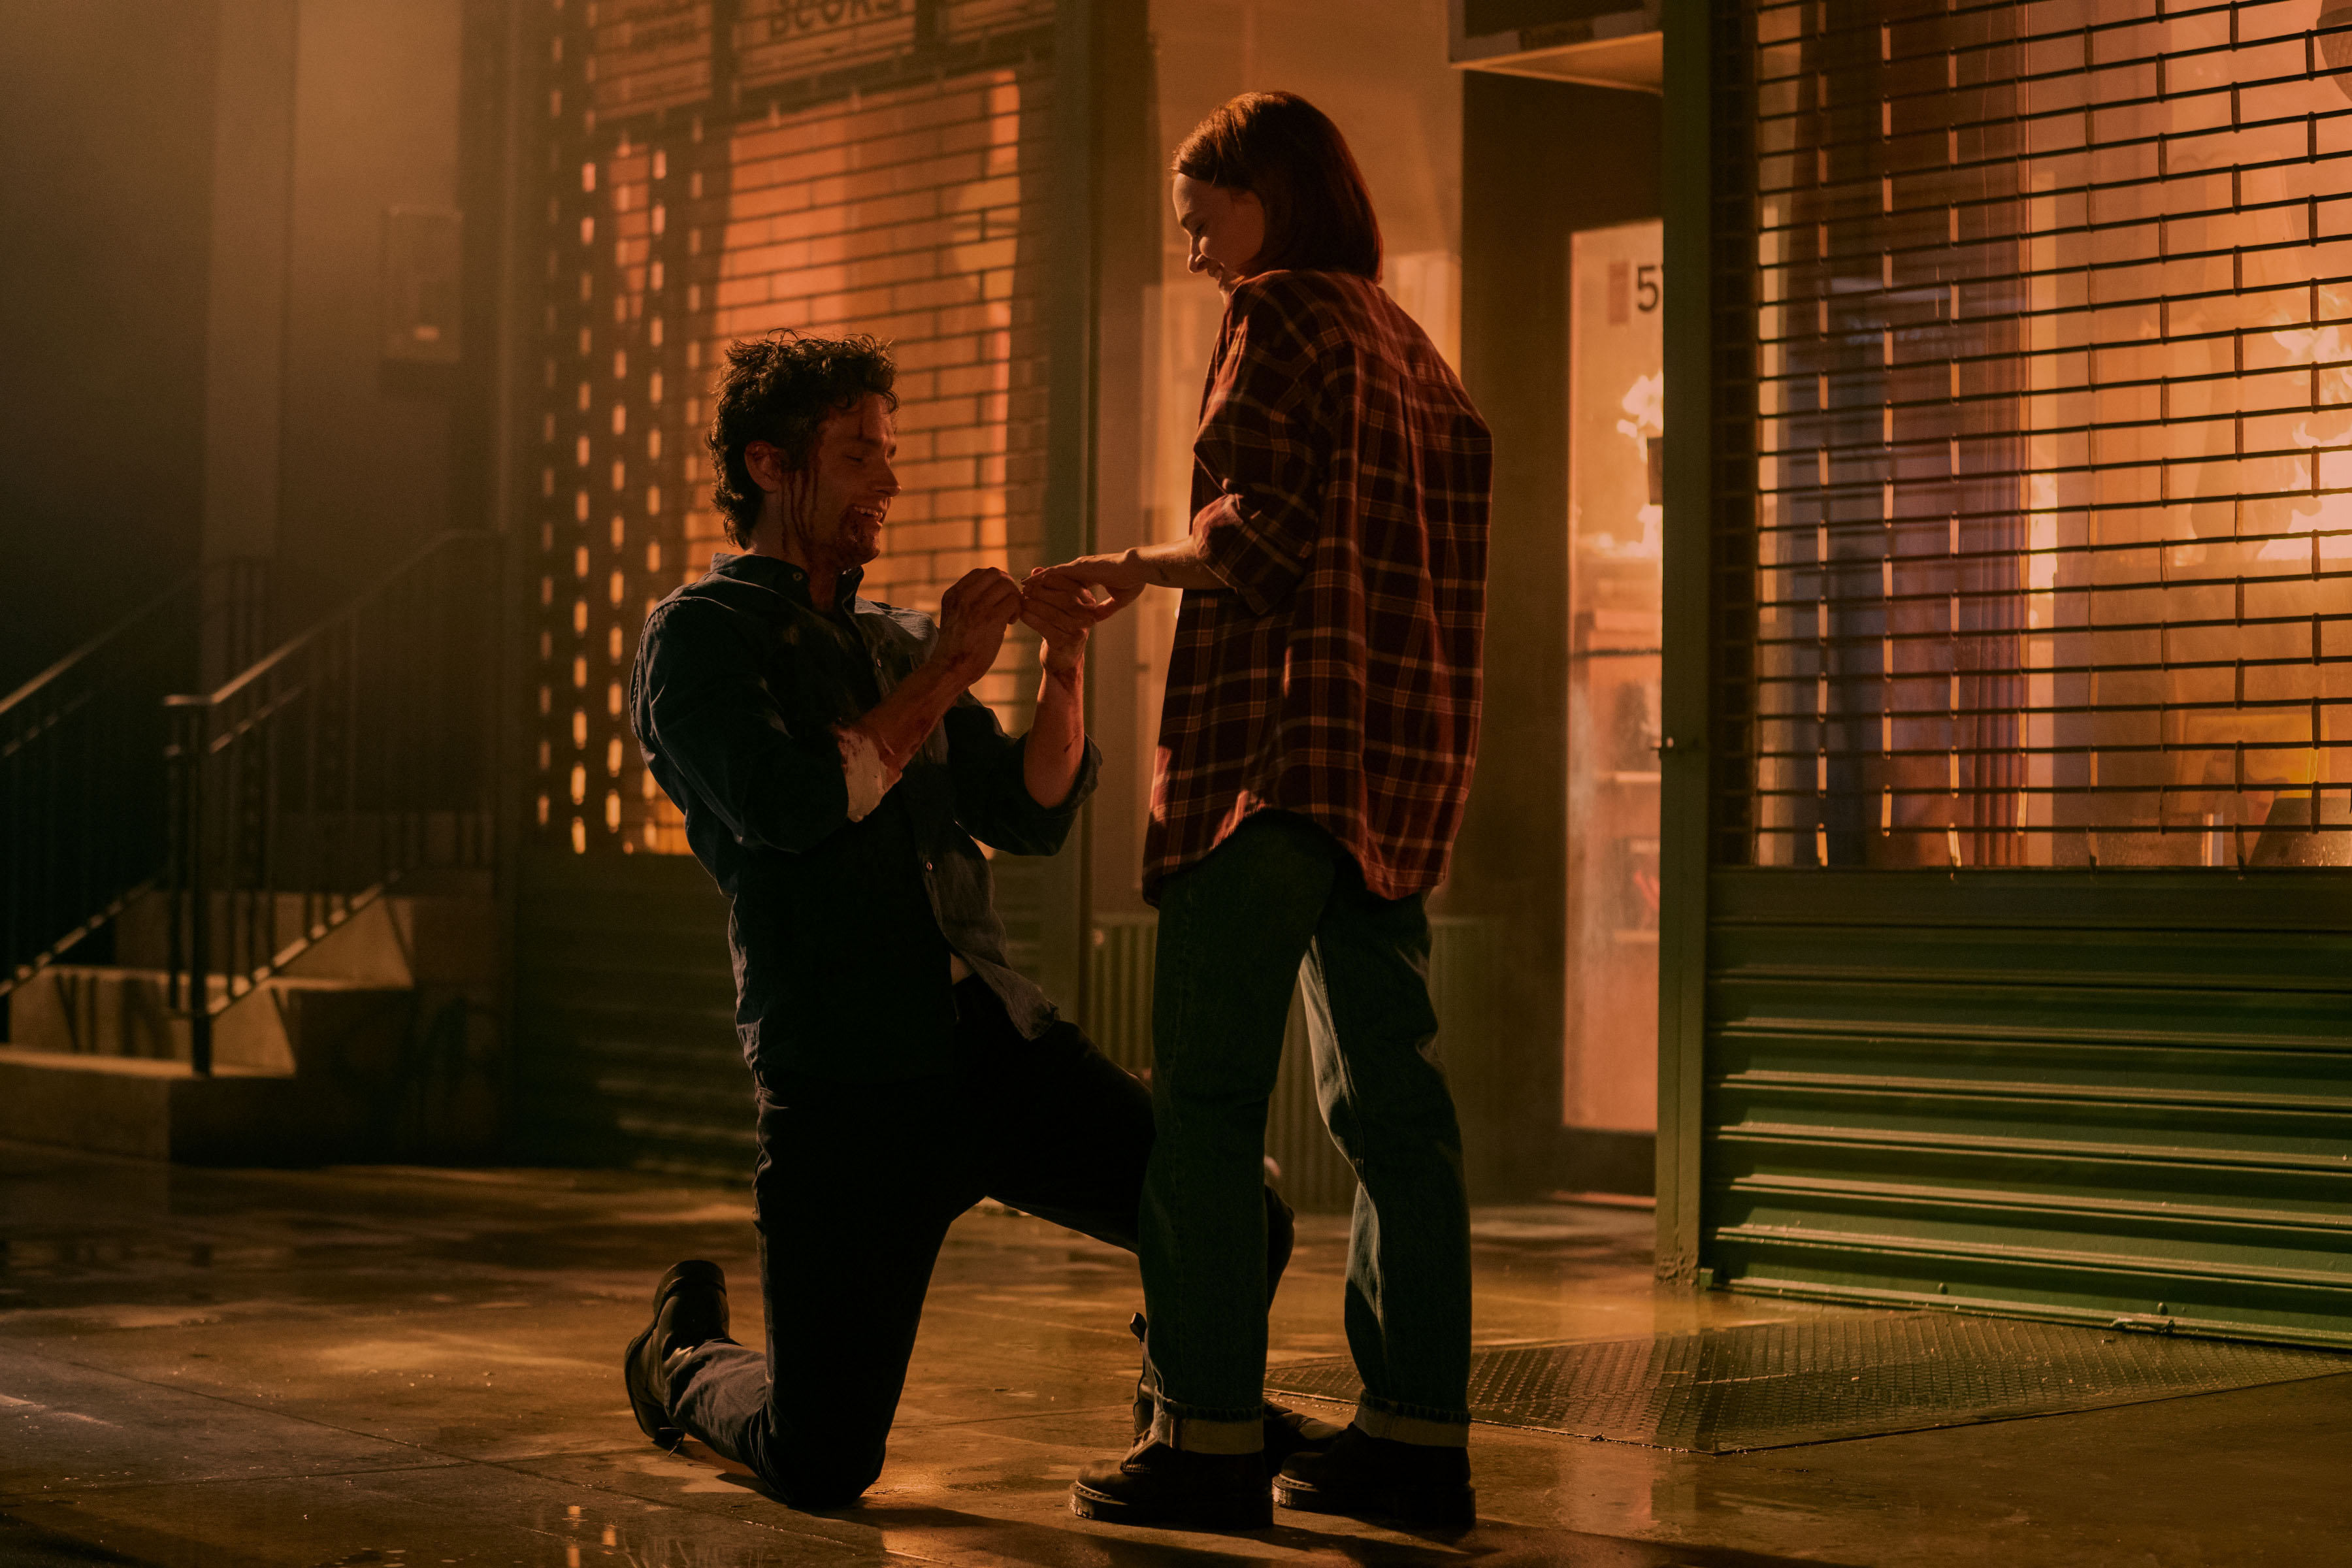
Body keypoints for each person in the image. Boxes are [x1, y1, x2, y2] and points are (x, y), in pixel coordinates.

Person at [617, 329, 1318, 1511]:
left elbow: (1028, 811)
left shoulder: (891, 637)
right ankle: (681, 1358)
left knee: (1234, 1216)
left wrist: (1061, 662)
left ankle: (1190, 1405)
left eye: (890, 453)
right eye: (857, 455)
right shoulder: (698, 636)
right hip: (847, 1074)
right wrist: (946, 668)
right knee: (821, 1459)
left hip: (995, 1047)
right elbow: (794, 807)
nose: (888, 481)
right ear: (770, 466)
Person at [1036, 93, 1492, 1531]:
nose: (1194, 254)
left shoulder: (1280, 310)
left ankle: (1207, 1440)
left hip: (1267, 763)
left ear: (1271, 194)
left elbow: (1260, 536)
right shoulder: (1411, 348)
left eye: (1203, 218)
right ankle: (1415, 1441)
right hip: (1388, 774)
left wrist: (1131, 568)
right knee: (1396, 1116)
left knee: (1209, 1107)